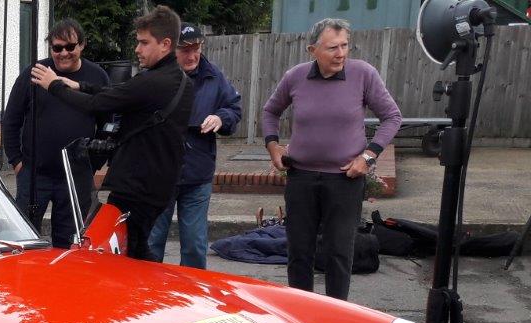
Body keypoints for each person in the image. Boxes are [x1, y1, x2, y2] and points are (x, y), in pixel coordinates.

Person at [30, 5, 194, 262]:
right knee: (136, 249)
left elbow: (99, 104)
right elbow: (122, 92)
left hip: (137, 187)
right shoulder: (182, 81)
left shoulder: (153, 82)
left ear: (165, 44)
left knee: (124, 257)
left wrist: (55, 86)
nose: (137, 49)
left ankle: (142, 296)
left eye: (143, 43)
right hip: (160, 185)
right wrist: (81, 84)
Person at [262, 17, 401, 301]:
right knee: (299, 253)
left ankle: (336, 314)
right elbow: (269, 112)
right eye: (332, 48)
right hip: (301, 178)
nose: (340, 54)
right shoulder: (296, 77)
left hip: (345, 180)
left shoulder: (363, 74)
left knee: (339, 253)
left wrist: (369, 156)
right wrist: (273, 146)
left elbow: (392, 117)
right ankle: (302, 314)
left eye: (344, 46)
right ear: (312, 50)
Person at [2, 19, 110, 248]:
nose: (63, 53)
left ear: (82, 45)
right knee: (24, 240)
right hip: (34, 174)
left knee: (69, 241)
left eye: (70, 47)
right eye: (57, 48)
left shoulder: (97, 77)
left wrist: (93, 165)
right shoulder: (34, 73)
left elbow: (107, 123)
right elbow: (11, 118)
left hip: (75, 176)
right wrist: (17, 161)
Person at [146, 24, 241, 269]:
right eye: (184, 50)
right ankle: (146, 296)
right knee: (151, 242)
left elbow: (233, 109)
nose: (191, 55)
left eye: (196, 48)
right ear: (171, 49)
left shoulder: (213, 76)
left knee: (195, 246)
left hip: (197, 175)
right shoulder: (157, 75)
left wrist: (222, 118)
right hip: (160, 174)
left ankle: (194, 299)